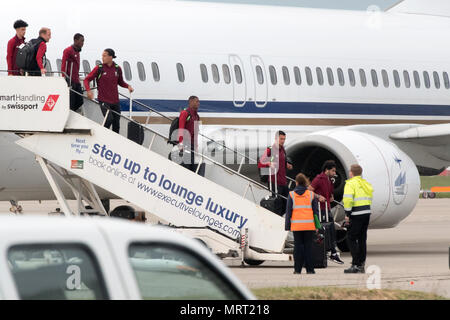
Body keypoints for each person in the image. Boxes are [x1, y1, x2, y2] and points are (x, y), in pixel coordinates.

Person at [84, 48, 134, 133]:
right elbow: (86, 80)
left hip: (115, 101)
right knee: (109, 119)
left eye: (104, 56)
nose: (102, 58)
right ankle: (103, 135)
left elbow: (120, 82)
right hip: (104, 100)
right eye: (102, 56)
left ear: (111, 57)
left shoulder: (117, 68)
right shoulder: (99, 68)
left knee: (116, 125)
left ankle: (114, 143)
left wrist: (128, 86)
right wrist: (88, 91)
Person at [309, 160, 344, 265]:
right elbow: (309, 190)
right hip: (321, 209)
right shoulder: (318, 179)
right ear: (326, 170)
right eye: (333, 171)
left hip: (327, 208)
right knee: (325, 231)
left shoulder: (329, 180)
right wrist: (318, 196)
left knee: (332, 230)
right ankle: (330, 252)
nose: (334, 173)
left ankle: (332, 252)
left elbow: (328, 193)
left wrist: (331, 196)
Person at [285, 173, 319, 274]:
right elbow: (315, 212)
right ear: (305, 183)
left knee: (298, 247)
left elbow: (288, 212)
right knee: (309, 247)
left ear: (296, 183)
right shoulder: (311, 195)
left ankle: (297, 269)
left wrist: (287, 226)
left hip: (297, 226)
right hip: (309, 226)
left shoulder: (291, 195)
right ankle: (310, 269)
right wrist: (317, 226)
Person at [343, 164, 373, 274]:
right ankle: (361, 264)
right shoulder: (365, 183)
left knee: (350, 238)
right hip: (366, 212)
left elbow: (348, 199)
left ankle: (355, 263)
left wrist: (347, 213)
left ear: (352, 173)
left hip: (356, 213)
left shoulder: (350, 184)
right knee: (362, 239)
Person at [258, 131, 293, 215]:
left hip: (283, 181)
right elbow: (261, 162)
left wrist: (287, 164)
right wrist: (269, 163)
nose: (283, 141)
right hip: (275, 181)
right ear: (276, 138)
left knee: (289, 201)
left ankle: (280, 216)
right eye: (281, 139)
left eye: (284, 139)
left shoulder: (282, 150)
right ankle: (277, 217)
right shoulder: (270, 149)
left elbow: (281, 162)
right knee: (277, 203)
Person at [178, 96, 203, 175]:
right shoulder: (184, 113)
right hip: (185, 145)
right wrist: (180, 144)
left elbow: (196, 134)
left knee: (194, 169)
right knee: (185, 168)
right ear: (191, 102)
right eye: (196, 101)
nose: (198, 103)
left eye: (198, 102)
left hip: (192, 147)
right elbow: (181, 129)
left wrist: (196, 148)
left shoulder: (197, 116)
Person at [61, 33, 84, 111]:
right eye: (81, 41)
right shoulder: (68, 50)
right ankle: (70, 113)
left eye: (83, 41)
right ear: (75, 40)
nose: (82, 43)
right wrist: (64, 78)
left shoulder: (77, 52)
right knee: (72, 102)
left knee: (80, 100)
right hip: (70, 80)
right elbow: (63, 65)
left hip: (76, 80)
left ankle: (73, 112)